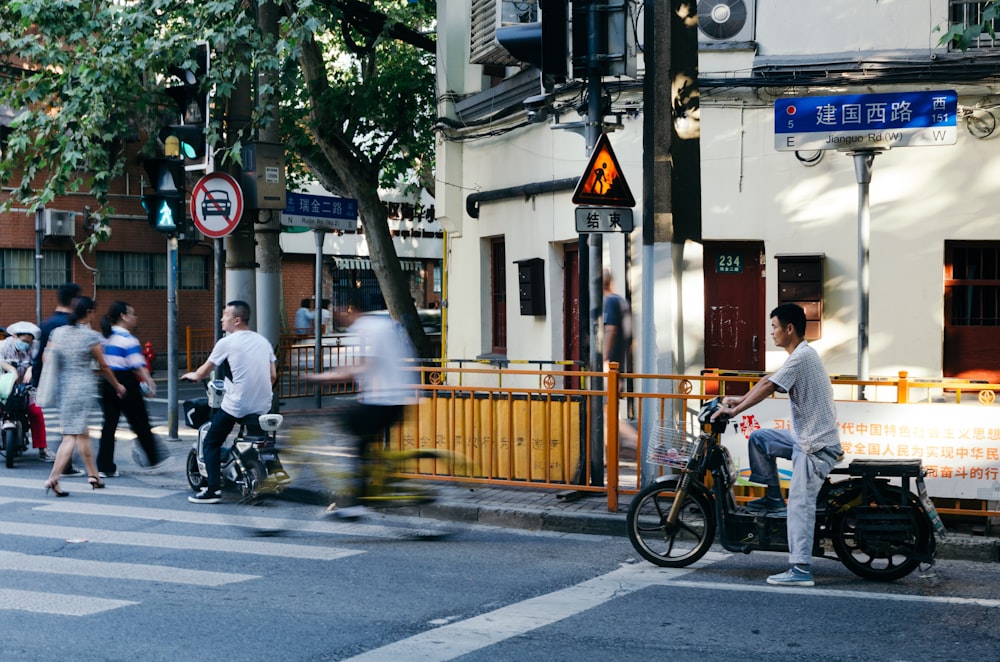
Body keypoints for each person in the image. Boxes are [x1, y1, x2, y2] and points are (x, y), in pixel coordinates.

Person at [712, 303, 844, 587]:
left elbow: (770, 387)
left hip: (814, 445)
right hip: (803, 437)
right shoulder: (799, 355)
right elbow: (766, 380)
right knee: (761, 438)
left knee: (799, 503)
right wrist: (738, 399)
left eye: (774, 327)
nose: (771, 333)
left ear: (789, 329)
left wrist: (735, 412)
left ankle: (800, 569)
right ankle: (773, 497)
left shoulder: (802, 357)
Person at [304, 294, 418, 519]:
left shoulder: (366, 328)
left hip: (385, 398)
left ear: (349, 308)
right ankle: (372, 484)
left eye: (337, 310)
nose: (335, 315)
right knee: (362, 442)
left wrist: (319, 378)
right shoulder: (383, 323)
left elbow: (362, 366)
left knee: (349, 429)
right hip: (397, 397)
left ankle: (358, 501)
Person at [181, 300, 276, 504]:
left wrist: (192, 375)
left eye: (225, 315)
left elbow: (203, 372)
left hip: (238, 404)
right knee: (249, 435)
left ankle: (213, 490)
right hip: (264, 404)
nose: (222, 318)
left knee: (211, 441)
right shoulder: (263, 341)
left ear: (237, 320)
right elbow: (273, 376)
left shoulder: (227, 342)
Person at [42, 297, 126, 496]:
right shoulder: (90, 336)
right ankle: (53, 478)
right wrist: (117, 385)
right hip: (82, 388)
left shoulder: (58, 332)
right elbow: (103, 366)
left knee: (81, 432)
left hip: (64, 387)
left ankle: (93, 475)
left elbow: (48, 358)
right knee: (71, 435)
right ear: (89, 312)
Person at [97, 301, 165, 478]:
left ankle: (105, 466)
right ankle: (154, 459)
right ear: (123, 316)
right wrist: (150, 382)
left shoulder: (104, 337)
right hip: (125, 381)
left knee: (109, 425)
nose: (136, 318)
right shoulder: (128, 339)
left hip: (107, 381)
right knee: (140, 421)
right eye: (133, 314)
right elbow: (137, 365)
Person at [34, 282, 86, 477]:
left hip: (53, 381)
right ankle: (67, 466)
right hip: (74, 380)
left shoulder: (46, 324)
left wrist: (36, 382)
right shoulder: (73, 324)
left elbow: (39, 357)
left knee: (70, 425)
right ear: (74, 300)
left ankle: (73, 465)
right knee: (72, 428)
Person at [0, 321, 52, 461]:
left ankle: (43, 449)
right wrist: (11, 371)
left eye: (29, 342)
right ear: (15, 336)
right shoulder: (4, 345)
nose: (26, 344)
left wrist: (31, 369)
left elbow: (40, 361)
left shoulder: (34, 347)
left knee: (36, 412)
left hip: (27, 387)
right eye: (23, 341)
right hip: (4, 387)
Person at [602, 268, 637, 460]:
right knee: (607, 411)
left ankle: (635, 442)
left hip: (611, 367)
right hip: (620, 365)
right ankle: (609, 457)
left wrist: (604, 359)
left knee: (606, 412)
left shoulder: (610, 302)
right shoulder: (621, 301)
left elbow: (611, 330)